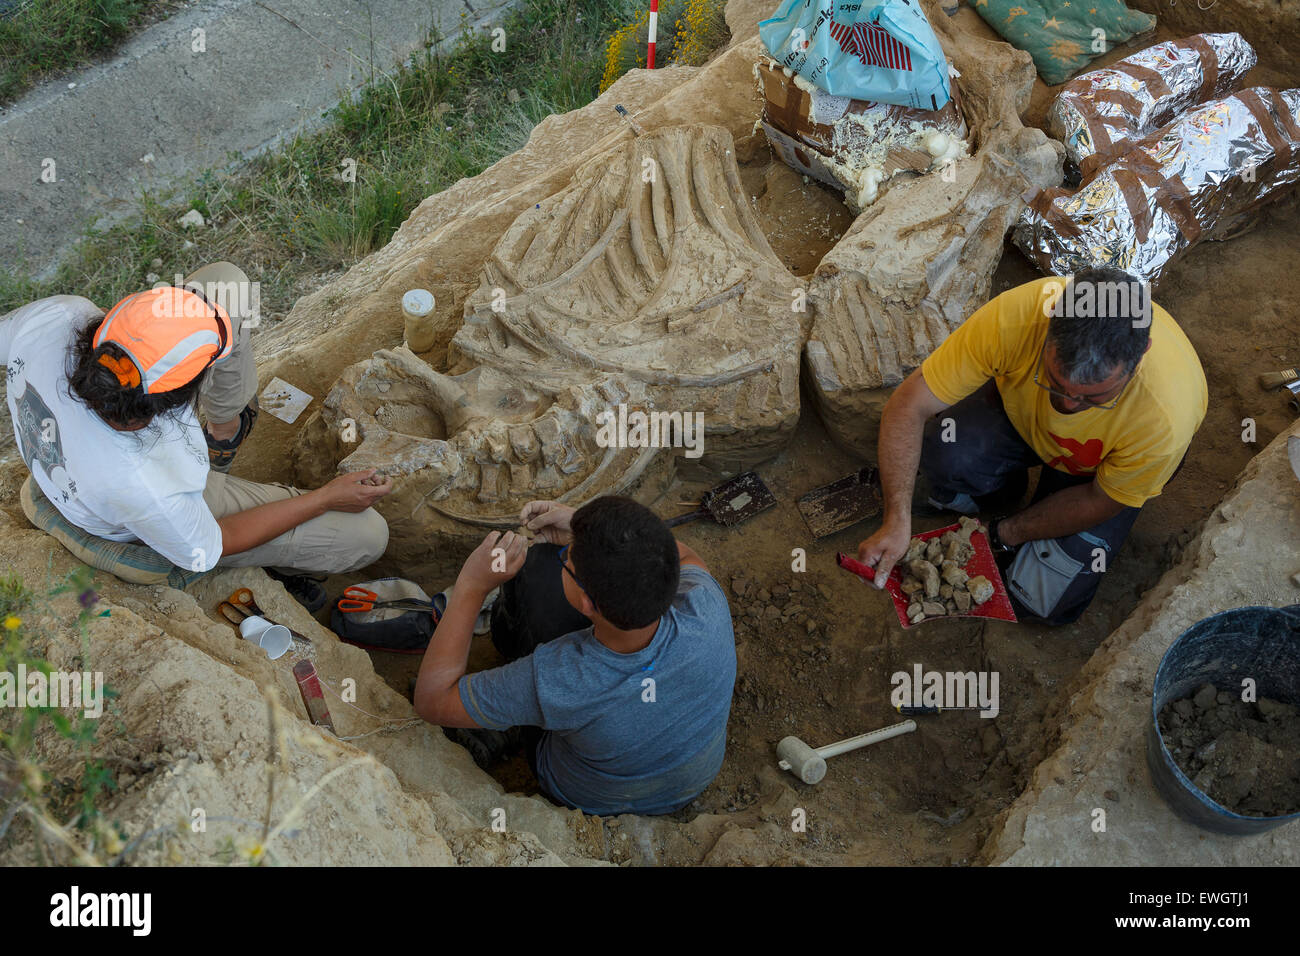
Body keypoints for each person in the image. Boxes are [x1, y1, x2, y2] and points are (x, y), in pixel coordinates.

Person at [0, 262, 391, 603]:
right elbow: (214, 545)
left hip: (80, 465)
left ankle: (224, 428)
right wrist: (325, 498)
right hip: (129, 518)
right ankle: (278, 569)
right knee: (368, 534)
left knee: (227, 285)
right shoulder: (151, 485)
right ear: (181, 399)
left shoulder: (59, 317)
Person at [856, 267, 1207, 625]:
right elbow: (908, 406)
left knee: (1039, 602)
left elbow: (1100, 500)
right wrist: (896, 519)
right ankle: (1005, 491)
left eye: (1093, 397)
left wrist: (1003, 534)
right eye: (1056, 382)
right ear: (1050, 322)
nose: (1069, 405)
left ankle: (1021, 513)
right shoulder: (1015, 320)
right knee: (947, 455)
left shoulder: (1164, 417)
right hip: (1022, 418)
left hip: (1095, 474)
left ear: (1141, 356)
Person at [412, 495, 736, 816]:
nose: (564, 554)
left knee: (537, 572)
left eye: (567, 556)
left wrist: (472, 585)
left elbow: (431, 700)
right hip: (692, 779)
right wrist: (590, 530)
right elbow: (681, 555)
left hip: (589, 796)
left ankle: (504, 725)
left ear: (587, 603)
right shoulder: (704, 603)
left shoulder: (560, 676)